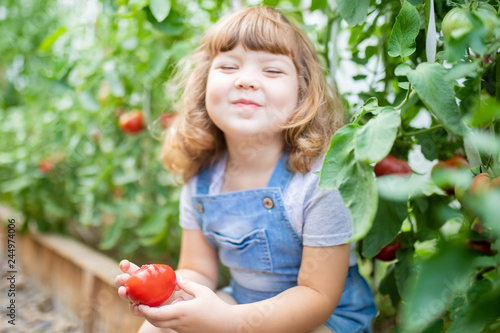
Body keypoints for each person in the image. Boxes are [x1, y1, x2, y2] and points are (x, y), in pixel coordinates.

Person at [115, 5, 376, 333]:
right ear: (203, 85)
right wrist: (169, 294)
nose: (247, 80)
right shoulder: (203, 181)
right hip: (242, 307)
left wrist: (230, 322)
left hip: (324, 320)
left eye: (272, 70)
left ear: (303, 93)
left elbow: (317, 295)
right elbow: (197, 269)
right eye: (228, 66)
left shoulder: (318, 181)